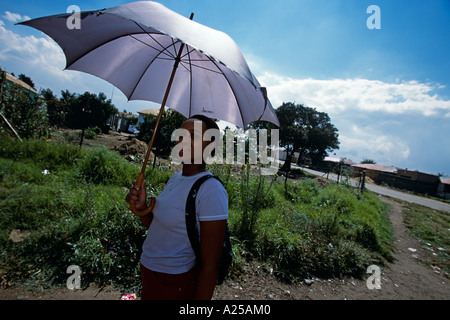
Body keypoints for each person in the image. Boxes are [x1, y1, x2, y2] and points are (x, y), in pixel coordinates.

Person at [125, 115, 228, 300]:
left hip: (174, 283)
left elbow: (210, 265)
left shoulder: (211, 190)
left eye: (193, 135)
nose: (182, 140)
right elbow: (160, 229)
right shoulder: (176, 178)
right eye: (181, 134)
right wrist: (141, 208)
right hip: (149, 274)